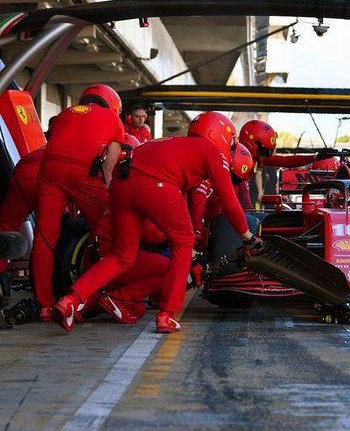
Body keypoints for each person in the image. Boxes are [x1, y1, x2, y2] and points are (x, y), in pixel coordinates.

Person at [51, 112, 262, 334]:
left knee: (122, 256)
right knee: (183, 241)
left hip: (122, 183)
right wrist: (247, 236)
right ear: (221, 136)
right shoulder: (211, 152)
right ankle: (166, 315)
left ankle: (70, 300)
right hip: (155, 184)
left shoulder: (170, 144)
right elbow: (230, 203)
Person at [32, 84, 124, 320]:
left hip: (50, 172)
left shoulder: (65, 113)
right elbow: (108, 169)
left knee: (44, 238)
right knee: (111, 228)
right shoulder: (114, 120)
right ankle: (102, 292)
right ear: (113, 105)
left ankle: (43, 305)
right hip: (83, 175)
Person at [239, 119, 331, 204]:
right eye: (264, 151)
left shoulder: (258, 158)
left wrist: (316, 157)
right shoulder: (237, 162)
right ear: (252, 146)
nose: (266, 156)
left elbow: (286, 160)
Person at [189, 143, 256, 250]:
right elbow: (197, 203)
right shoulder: (207, 179)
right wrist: (198, 231)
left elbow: (230, 208)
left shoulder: (234, 182)